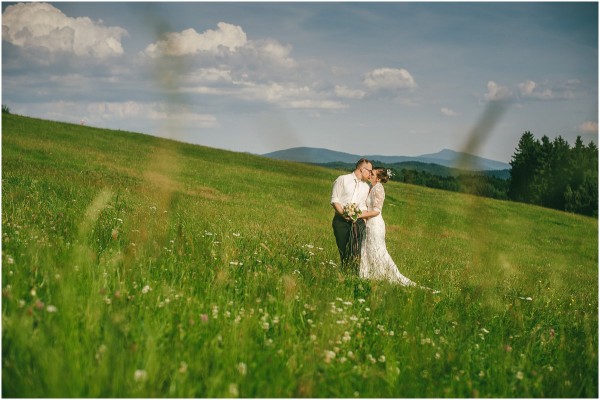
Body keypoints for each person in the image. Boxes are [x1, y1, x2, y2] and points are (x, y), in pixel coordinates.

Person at [359, 167, 438, 292]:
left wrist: (360, 215)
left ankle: (383, 276)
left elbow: (376, 211)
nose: (370, 174)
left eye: (372, 174)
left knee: (378, 250)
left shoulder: (378, 188)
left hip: (375, 224)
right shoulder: (372, 187)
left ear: (378, 178)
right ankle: (368, 274)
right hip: (369, 223)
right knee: (368, 248)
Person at [330, 158, 373, 271]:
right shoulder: (342, 179)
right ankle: (345, 274)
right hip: (340, 221)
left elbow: (363, 206)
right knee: (344, 251)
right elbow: (335, 200)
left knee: (356, 252)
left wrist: (362, 219)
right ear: (362, 169)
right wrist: (343, 214)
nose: (371, 174)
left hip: (357, 223)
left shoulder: (366, 187)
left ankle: (354, 275)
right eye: (369, 171)